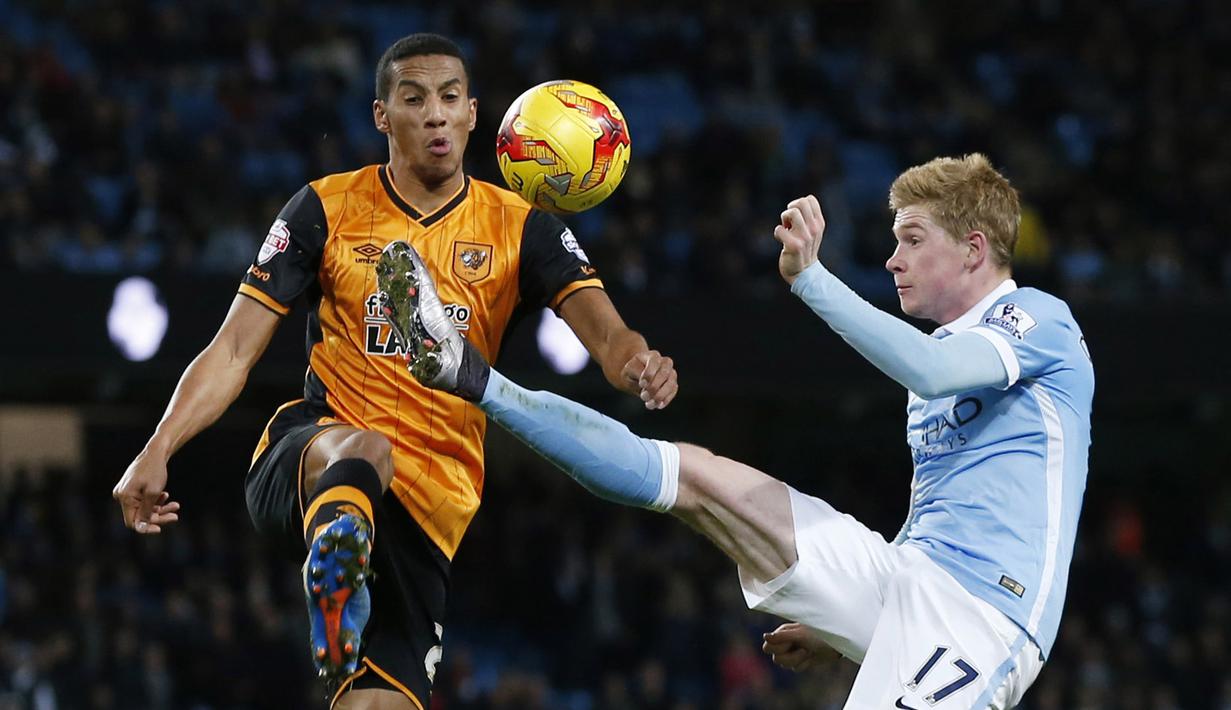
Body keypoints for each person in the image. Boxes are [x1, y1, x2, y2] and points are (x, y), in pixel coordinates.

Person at [389, 154, 1093, 708]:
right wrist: (840, 623)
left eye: (911, 240)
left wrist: (812, 280)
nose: (891, 259)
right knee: (694, 479)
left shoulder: (1038, 320)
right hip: (908, 574)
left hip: (980, 619)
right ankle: (473, 376)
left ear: (973, 250)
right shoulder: (944, 359)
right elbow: (940, 512)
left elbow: (933, 371)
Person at [110, 32, 678, 710]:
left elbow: (608, 333)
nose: (434, 115)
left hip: (432, 508)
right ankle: (339, 565)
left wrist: (640, 363)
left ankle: (344, 595)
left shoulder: (521, 228)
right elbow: (233, 348)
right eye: (414, 100)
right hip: (317, 454)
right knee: (366, 448)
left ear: (473, 114)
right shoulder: (324, 207)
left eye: (448, 99)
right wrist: (157, 447)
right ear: (382, 116)